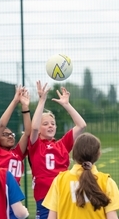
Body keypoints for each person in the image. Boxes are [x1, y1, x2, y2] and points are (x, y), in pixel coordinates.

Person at [29, 81, 87, 219]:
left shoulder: (62, 144)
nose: (50, 126)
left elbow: (81, 125)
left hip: (64, 194)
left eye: (53, 124)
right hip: (45, 197)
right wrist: (42, 100)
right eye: (46, 124)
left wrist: (67, 105)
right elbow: (34, 128)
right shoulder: (36, 145)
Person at [42, 132, 119, 219]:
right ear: (98, 155)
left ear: (73, 154)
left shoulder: (60, 180)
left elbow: (51, 217)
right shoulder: (107, 182)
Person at [0, 85, 31, 219]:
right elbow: (1, 125)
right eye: (5, 135)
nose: (10, 136)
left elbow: (28, 133)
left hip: (13, 197)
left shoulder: (17, 153)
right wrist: (15, 101)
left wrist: (25, 107)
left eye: (12, 134)